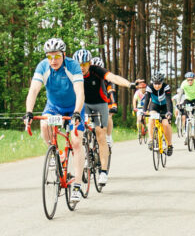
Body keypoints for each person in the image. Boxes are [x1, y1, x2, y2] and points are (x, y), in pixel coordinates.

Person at [23, 38, 86, 203]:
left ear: (64, 55)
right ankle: (56, 155)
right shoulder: (43, 66)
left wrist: (77, 113)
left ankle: (77, 185)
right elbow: (33, 90)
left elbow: (80, 92)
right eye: (49, 57)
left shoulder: (73, 66)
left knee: (76, 141)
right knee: (44, 124)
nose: (53, 60)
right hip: (54, 107)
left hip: (74, 107)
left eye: (57, 56)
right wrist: (29, 112)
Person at [75, 49, 132, 186]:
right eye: (79, 64)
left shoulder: (96, 70)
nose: (82, 67)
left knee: (101, 135)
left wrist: (129, 84)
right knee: (77, 134)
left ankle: (104, 171)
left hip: (100, 104)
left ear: (90, 63)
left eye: (84, 64)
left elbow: (113, 78)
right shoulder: (73, 72)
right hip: (83, 104)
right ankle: (85, 157)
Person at [142, 72, 175, 155]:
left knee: (166, 124)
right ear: (152, 83)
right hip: (154, 106)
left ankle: (169, 145)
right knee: (151, 118)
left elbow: (168, 100)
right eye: (155, 84)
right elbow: (147, 100)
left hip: (165, 107)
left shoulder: (166, 87)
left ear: (162, 82)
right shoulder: (149, 87)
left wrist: (169, 112)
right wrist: (144, 110)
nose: (157, 86)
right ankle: (151, 140)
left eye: (159, 84)